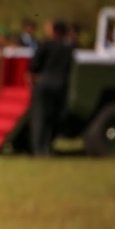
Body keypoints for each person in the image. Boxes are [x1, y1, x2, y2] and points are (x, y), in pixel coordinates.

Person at [29, 20, 75, 157]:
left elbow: (34, 64)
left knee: (39, 116)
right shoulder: (69, 48)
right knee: (52, 117)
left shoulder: (47, 45)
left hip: (44, 83)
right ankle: (47, 147)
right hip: (60, 85)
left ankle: (38, 149)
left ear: (54, 31)